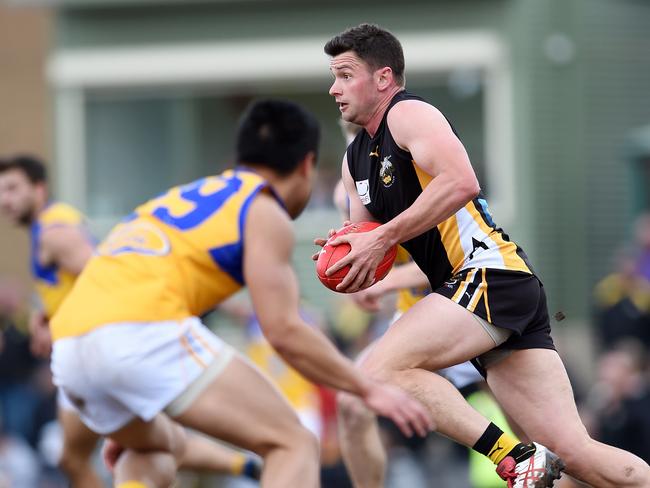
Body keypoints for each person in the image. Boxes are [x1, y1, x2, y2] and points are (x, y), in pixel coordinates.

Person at [319, 23, 650, 487]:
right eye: (332, 76)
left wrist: (380, 239)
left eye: (345, 74)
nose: (334, 87)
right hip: (484, 292)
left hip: (490, 274)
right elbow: (369, 242)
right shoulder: (355, 159)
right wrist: (352, 266)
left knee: (378, 371)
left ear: (383, 78)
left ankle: (512, 458)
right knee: (576, 455)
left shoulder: (409, 114)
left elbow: (462, 181)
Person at [49, 99, 431, 488]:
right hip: (140, 332)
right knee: (293, 443)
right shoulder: (262, 209)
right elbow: (284, 331)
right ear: (305, 165)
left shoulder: (181, 196)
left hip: (69, 348)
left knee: (150, 449)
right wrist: (366, 388)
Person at [0, 155, 265, 486]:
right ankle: (246, 466)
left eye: (12, 189)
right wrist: (49, 317)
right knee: (82, 455)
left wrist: (59, 321)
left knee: (146, 447)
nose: (4, 200)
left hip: (97, 346)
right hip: (89, 346)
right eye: (1, 191)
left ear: (39, 189)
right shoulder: (49, 228)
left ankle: (251, 464)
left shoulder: (55, 234)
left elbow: (104, 279)